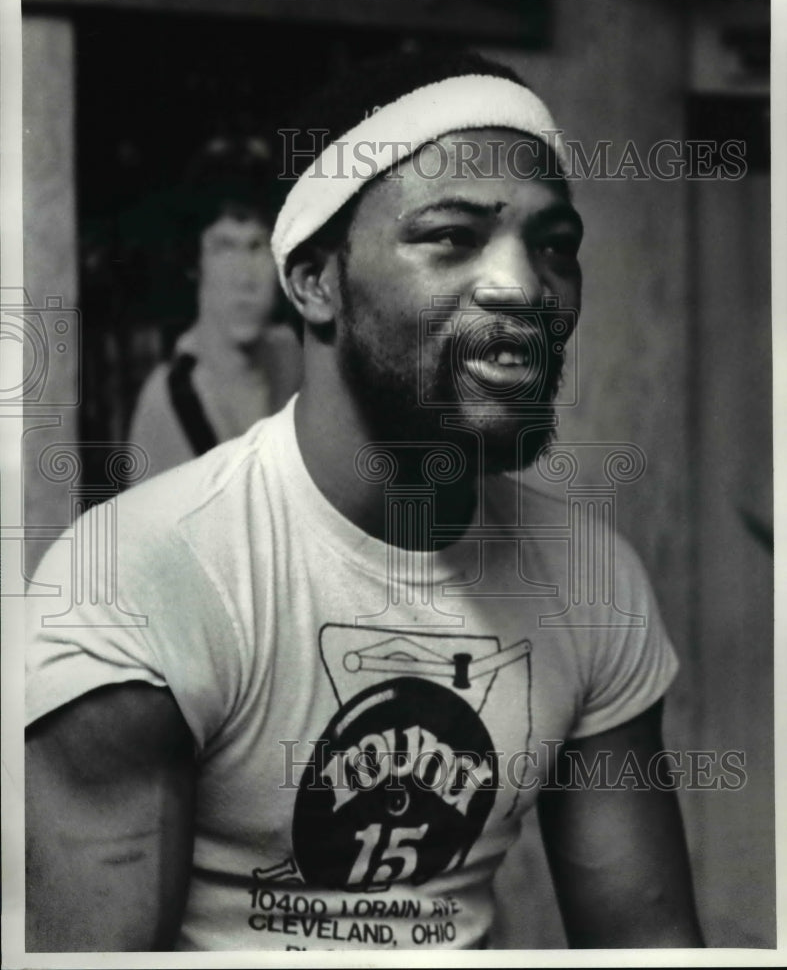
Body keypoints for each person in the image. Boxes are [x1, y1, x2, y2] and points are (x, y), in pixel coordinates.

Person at [25, 50, 704, 951]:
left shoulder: (588, 580)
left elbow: (646, 944)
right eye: (452, 237)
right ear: (314, 283)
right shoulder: (139, 579)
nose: (524, 287)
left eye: (554, 246)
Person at [128, 137, 303, 478]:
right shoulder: (168, 404)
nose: (244, 278)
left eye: (257, 247)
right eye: (224, 247)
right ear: (196, 261)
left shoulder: (297, 360)